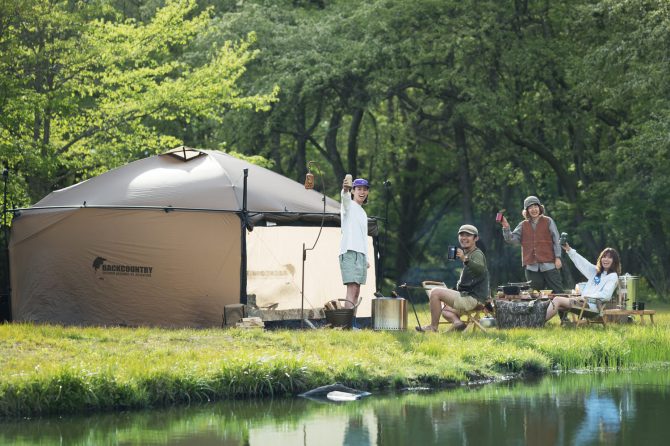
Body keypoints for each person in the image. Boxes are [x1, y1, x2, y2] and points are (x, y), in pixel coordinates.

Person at [418, 224, 490, 332]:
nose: (464, 238)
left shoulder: (477, 254)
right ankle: (458, 323)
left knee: (435, 292)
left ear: (476, 238)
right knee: (444, 309)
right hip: (472, 298)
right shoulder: (469, 253)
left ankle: (433, 327)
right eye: (461, 235)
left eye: (468, 235)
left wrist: (464, 259)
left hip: (473, 299)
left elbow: (480, 269)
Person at [500, 195, 564, 293]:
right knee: (535, 295)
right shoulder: (523, 225)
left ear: (540, 208)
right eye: (530, 207)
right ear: (527, 211)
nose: (534, 209)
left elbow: (556, 240)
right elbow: (511, 239)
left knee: (558, 292)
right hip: (531, 267)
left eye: (536, 206)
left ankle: (559, 308)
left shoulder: (548, 221)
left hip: (549, 264)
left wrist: (558, 257)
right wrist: (506, 226)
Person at [545, 244, 621, 321]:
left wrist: (587, 297)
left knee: (557, 300)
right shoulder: (596, 272)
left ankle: (538, 322)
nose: (606, 259)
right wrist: (569, 250)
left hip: (590, 306)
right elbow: (583, 263)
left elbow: (606, 295)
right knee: (556, 303)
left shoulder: (613, 276)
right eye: (604, 257)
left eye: (609, 257)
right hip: (582, 302)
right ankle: (536, 321)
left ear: (614, 261)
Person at [340, 176, 370, 310]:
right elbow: (345, 197)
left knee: (357, 290)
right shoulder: (348, 205)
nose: (362, 192)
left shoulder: (363, 213)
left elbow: (364, 238)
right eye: (358, 189)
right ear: (353, 191)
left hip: (361, 254)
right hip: (349, 251)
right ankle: (347, 326)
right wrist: (345, 189)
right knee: (351, 288)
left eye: (364, 189)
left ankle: (352, 322)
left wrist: (366, 258)